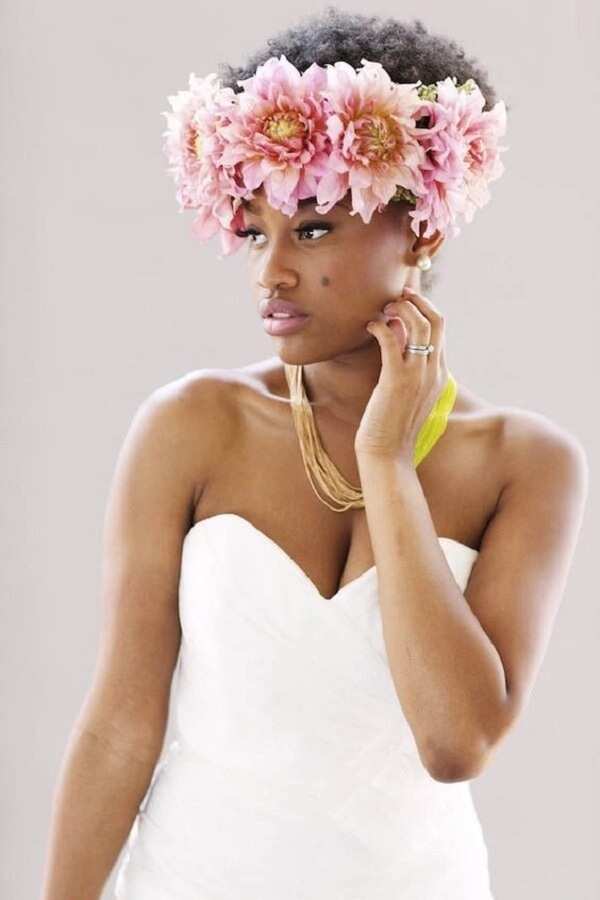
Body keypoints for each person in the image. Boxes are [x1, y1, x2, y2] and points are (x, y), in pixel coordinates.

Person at [40, 9, 588, 899]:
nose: (269, 274)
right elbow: (118, 727)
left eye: (314, 229)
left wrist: (387, 464)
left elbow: (456, 743)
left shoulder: (527, 465)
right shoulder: (193, 424)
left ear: (422, 230)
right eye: (256, 231)